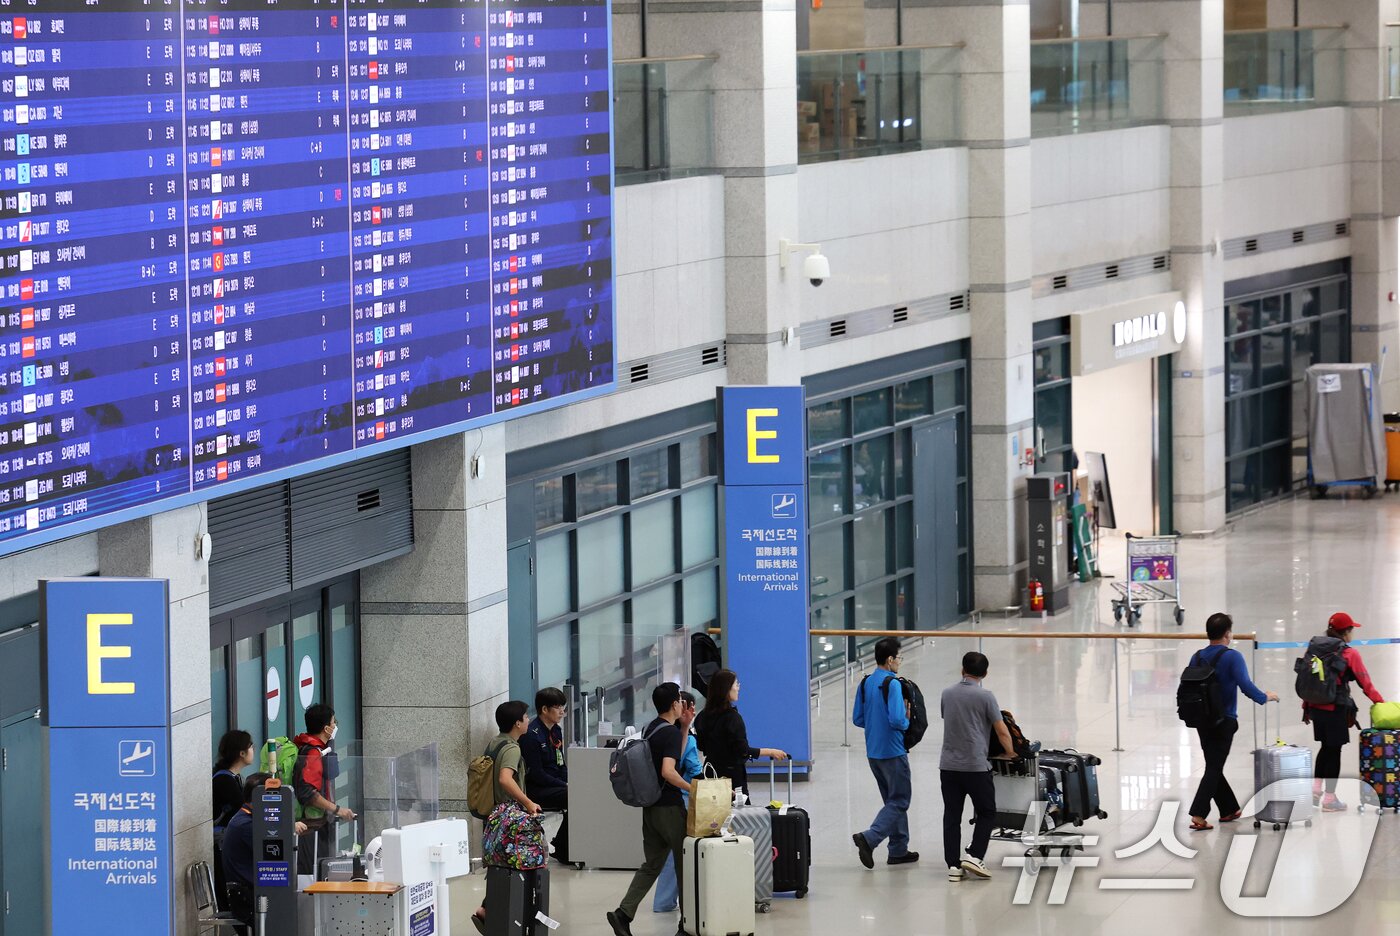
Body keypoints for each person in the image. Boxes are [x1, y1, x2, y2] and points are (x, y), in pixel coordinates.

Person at [606, 682, 691, 936]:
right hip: (670, 810)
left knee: (651, 864)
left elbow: (670, 754)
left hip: (650, 808)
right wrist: (691, 788)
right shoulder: (670, 734)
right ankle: (685, 925)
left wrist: (684, 727)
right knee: (683, 865)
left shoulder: (651, 728)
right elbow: (668, 770)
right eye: (679, 700)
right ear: (675, 703)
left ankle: (623, 913)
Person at [1187, 613, 1278, 831]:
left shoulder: (1197, 657)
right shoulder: (1232, 657)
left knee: (1213, 764)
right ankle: (1198, 813)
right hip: (1223, 720)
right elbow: (1245, 685)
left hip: (1201, 719)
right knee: (1214, 767)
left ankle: (1229, 808)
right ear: (1228, 633)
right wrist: (1265, 697)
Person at [940, 651, 1017, 883]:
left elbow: (950, 719)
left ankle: (953, 865)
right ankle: (974, 855)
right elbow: (1002, 730)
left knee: (952, 815)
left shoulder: (947, 693)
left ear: (962, 669)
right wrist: (1010, 753)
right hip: (975, 766)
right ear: (985, 673)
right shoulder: (986, 696)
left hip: (948, 765)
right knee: (987, 812)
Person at [1304, 612, 1386, 812]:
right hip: (1335, 708)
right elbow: (1364, 681)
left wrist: (1306, 706)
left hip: (1316, 707)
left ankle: (1316, 791)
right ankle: (1329, 799)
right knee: (1334, 751)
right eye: (1351, 630)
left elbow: (1310, 678)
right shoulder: (1349, 653)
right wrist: (1381, 703)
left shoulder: (1315, 648)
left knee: (1325, 748)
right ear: (1346, 632)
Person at [472, 701, 541, 935]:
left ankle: (488, 908)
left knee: (499, 864)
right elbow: (505, 779)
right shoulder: (512, 748)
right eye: (525, 717)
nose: (528, 720)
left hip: (493, 816)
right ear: (517, 723)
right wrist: (528, 803)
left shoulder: (494, 742)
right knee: (519, 862)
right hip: (508, 817)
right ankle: (508, 913)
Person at [851, 638, 917, 869]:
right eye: (899, 658)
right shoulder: (893, 683)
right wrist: (908, 721)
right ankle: (870, 838)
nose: (899, 662)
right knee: (900, 800)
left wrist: (875, 723)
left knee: (891, 800)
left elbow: (858, 719)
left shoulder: (866, 682)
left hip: (873, 752)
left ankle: (898, 849)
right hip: (893, 750)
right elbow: (898, 719)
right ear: (890, 659)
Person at [221, 772, 306, 926]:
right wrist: (288, 827)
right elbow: (274, 849)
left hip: (252, 893)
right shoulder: (245, 825)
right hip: (248, 900)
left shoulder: (246, 819)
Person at [694, 669, 788, 797]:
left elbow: (701, 746)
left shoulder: (702, 716)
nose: (738, 687)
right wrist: (770, 751)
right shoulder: (733, 718)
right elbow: (743, 750)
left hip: (711, 773)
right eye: (736, 684)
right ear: (726, 688)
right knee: (740, 814)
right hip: (732, 778)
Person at [653, 689, 704, 914]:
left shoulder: (655, 729)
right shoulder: (675, 735)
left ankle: (664, 900)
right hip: (677, 801)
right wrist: (696, 787)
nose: (690, 710)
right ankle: (673, 904)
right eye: (686, 705)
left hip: (657, 801)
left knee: (663, 857)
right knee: (676, 856)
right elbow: (683, 767)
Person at [292, 703, 356, 874]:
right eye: (334, 723)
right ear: (327, 729)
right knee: (313, 878)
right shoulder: (313, 753)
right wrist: (337, 809)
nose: (336, 726)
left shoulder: (310, 748)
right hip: (311, 830)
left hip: (314, 827)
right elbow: (307, 792)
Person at [521, 687, 570, 863]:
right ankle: (564, 848)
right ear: (544, 709)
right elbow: (537, 774)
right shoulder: (531, 735)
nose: (562, 712)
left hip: (555, 784)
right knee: (576, 798)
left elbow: (560, 762)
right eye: (557, 707)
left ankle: (563, 844)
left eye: (562, 707)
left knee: (580, 794)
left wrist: (568, 780)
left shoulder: (556, 731)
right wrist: (564, 785)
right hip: (538, 789)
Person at [212, 729, 255, 910]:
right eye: (250, 746)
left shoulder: (235, 778)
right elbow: (243, 807)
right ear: (241, 753)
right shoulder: (224, 780)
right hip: (221, 842)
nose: (253, 749)